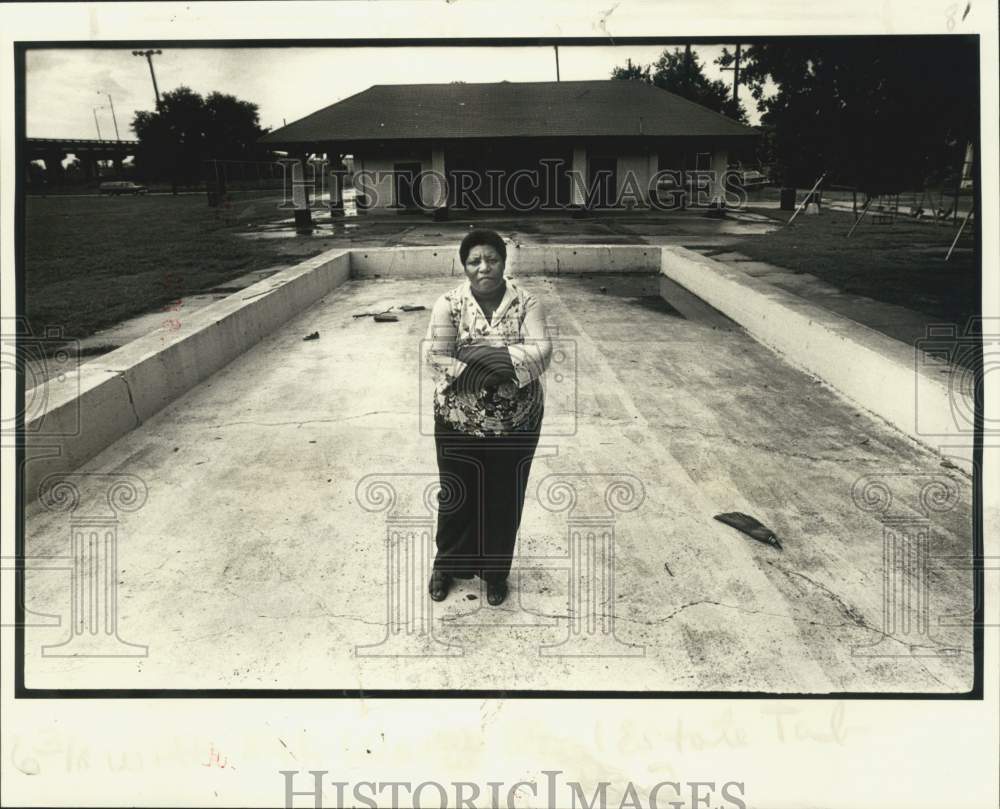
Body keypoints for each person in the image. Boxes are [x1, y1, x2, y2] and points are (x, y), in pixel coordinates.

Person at [423, 228, 552, 606]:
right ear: (464, 266)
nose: (484, 267)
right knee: (456, 494)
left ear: (504, 261)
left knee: (503, 496)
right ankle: (445, 565)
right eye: (475, 261)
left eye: (492, 259)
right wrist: (500, 362)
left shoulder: (528, 303)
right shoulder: (448, 303)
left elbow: (542, 350)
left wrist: (479, 356)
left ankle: (496, 572)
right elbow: (435, 355)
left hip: (517, 422)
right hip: (457, 420)